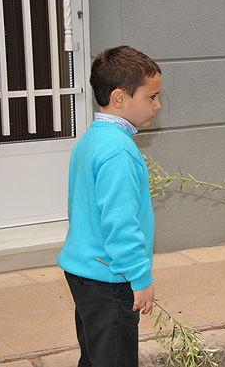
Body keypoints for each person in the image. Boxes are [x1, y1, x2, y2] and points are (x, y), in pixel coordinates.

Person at [57, 45, 162, 367]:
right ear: (119, 98)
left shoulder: (92, 138)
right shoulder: (119, 151)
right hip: (109, 278)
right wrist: (140, 278)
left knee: (94, 356)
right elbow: (120, 223)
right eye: (151, 96)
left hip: (84, 271)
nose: (157, 105)